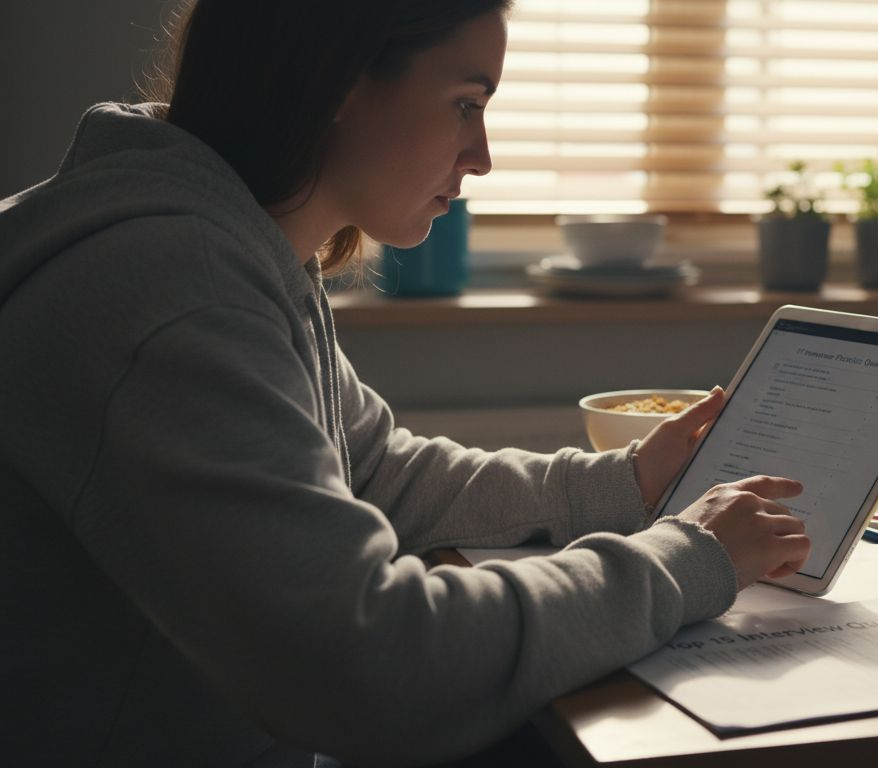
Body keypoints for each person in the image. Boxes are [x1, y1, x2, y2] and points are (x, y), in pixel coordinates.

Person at [0, 1, 811, 766]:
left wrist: (626, 482)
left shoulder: (227, 243)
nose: (482, 155)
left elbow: (377, 472)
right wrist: (686, 561)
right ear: (339, 84)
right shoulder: (174, 287)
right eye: (466, 104)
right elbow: (369, 660)